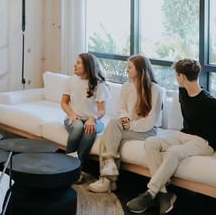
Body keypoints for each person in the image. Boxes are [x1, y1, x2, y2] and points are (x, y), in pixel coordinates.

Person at [127, 59, 216, 214]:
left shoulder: (208, 101)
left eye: (176, 75)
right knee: (150, 143)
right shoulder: (182, 92)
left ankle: (151, 192)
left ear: (181, 76)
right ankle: (164, 195)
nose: (176, 78)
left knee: (174, 152)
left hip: (204, 142)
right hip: (184, 135)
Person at [89, 54, 163, 193]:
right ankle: (109, 169)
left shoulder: (154, 89)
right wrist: (125, 118)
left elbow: (151, 120)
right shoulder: (126, 86)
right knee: (112, 126)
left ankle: (107, 181)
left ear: (140, 69)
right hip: (128, 125)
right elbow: (121, 108)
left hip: (147, 130)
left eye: (129, 67)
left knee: (107, 135)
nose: (126, 70)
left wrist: (132, 125)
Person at [61, 52, 110, 184]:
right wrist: (72, 114)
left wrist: (93, 118)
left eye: (78, 63)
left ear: (87, 66)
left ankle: (76, 167)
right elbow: (64, 103)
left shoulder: (99, 84)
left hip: (94, 120)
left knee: (90, 129)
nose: (74, 65)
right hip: (73, 117)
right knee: (77, 127)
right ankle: (69, 165)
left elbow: (102, 110)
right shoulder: (70, 80)